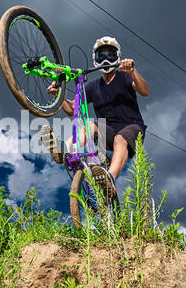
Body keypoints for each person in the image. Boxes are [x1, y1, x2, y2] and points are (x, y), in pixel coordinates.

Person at [41, 36, 149, 199]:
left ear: (117, 56)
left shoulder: (124, 77)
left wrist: (133, 72)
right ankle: (64, 150)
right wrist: (58, 95)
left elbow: (144, 91)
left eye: (110, 55)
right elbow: (72, 109)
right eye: (101, 55)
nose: (106, 59)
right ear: (95, 59)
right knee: (88, 126)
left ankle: (109, 179)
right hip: (109, 131)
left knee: (121, 138)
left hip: (132, 127)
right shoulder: (93, 87)